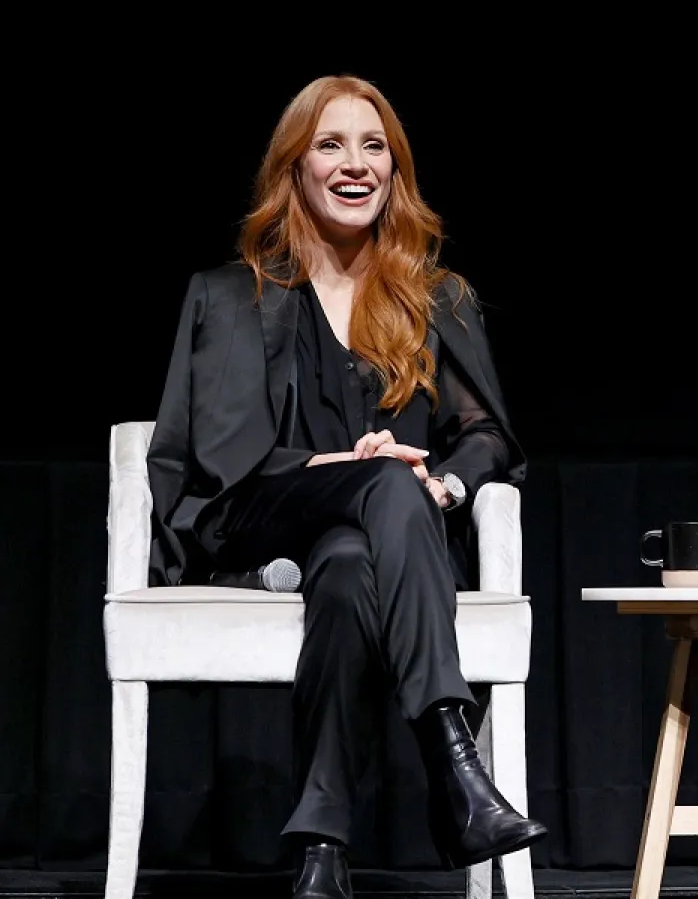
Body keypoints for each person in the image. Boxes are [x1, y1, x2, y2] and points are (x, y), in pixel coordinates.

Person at [146, 75, 546, 898]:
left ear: (396, 174)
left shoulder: (436, 299)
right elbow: (217, 454)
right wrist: (328, 469)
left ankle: (322, 850)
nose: (355, 164)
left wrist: (440, 486)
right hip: (261, 514)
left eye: (375, 148)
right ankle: (455, 768)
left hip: (372, 537)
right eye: (331, 144)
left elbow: (487, 435)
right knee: (377, 493)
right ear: (294, 168)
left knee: (348, 564)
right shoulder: (231, 297)